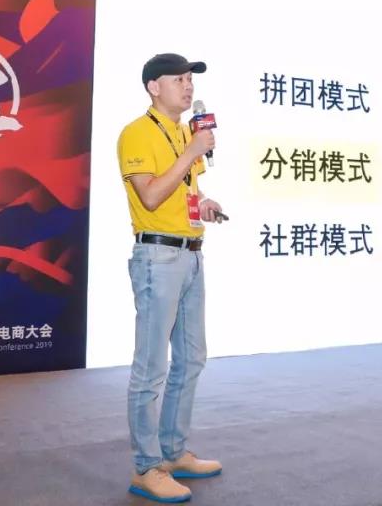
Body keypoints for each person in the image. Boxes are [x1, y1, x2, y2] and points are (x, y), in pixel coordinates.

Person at [117, 53, 225, 503]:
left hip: (191, 254)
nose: (188, 86)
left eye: (189, 79)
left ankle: (173, 452)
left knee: (191, 358)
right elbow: (150, 193)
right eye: (178, 79)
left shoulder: (185, 133)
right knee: (151, 367)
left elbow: (183, 191)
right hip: (157, 257)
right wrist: (191, 152)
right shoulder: (137, 133)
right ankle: (147, 467)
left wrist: (204, 204)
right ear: (153, 86)